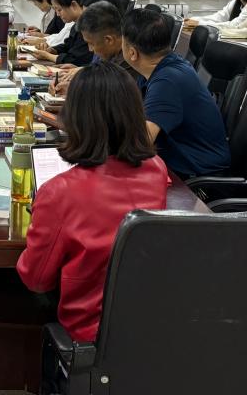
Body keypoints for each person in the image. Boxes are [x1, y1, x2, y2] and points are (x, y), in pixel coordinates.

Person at [16, 61, 169, 342]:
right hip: (146, 321)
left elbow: (36, 279)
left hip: (88, 329)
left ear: (75, 118)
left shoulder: (59, 192)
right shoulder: (157, 169)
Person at [121, 8, 229, 179]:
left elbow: (139, 143)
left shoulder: (167, 81)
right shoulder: (160, 67)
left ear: (132, 53)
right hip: (179, 166)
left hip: (197, 179)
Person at [30, 0, 92, 66]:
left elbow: (76, 59)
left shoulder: (89, 26)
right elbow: (67, 46)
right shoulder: (75, 25)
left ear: (73, 5)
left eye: (59, 9)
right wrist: (52, 50)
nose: (58, 14)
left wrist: (48, 56)